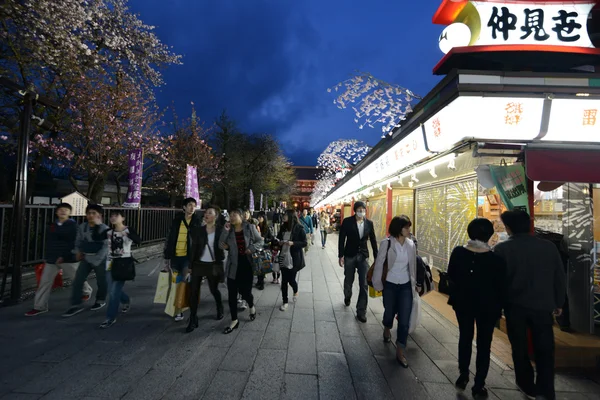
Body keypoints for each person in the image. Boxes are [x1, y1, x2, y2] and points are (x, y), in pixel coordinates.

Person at [494, 210, 566, 400]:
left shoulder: (502, 249)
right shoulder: (548, 247)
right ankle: (546, 389)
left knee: (519, 347)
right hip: (543, 306)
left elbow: (498, 282)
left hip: (514, 306)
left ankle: (526, 385)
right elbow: (559, 277)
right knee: (545, 349)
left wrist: (497, 305)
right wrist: (558, 302)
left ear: (508, 228)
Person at [447, 218, 506, 398]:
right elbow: (501, 287)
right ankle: (479, 383)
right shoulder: (496, 259)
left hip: (463, 304)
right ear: (489, 235)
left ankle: (463, 374)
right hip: (487, 308)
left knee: (465, 337)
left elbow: (451, 276)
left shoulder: (458, 252)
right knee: (484, 343)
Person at [25, 203, 93, 316]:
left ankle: (86, 291)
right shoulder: (52, 225)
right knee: (44, 282)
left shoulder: (73, 226)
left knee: (77, 278)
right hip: (52, 259)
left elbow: (74, 243)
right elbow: (49, 242)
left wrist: (63, 255)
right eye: (61, 210)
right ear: (57, 212)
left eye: (66, 210)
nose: (63, 212)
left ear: (70, 213)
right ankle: (39, 306)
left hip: (69, 258)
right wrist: (48, 257)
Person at [372, 216, 417, 367]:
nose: (409, 230)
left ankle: (400, 351)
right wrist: (377, 283)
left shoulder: (411, 244)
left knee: (404, 320)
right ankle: (387, 327)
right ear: (399, 228)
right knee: (389, 311)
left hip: (405, 285)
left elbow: (413, 267)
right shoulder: (387, 243)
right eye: (406, 227)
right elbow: (379, 263)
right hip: (390, 284)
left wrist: (414, 283)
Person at [219, 209, 263, 334]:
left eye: (234, 215)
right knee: (232, 294)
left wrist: (251, 248)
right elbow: (220, 244)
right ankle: (234, 320)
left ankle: (251, 305)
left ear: (241, 216)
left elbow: (260, 241)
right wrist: (225, 231)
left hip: (246, 264)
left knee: (245, 292)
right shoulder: (229, 229)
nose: (232, 217)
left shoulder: (249, 227)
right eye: (230, 215)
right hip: (233, 265)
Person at [95, 210, 141, 329]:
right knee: (112, 289)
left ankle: (110, 318)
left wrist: (127, 235)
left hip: (124, 263)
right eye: (112, 216)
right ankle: (125, 300)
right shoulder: (108, 231)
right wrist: (98, 224)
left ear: (123, 218)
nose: (113, 218)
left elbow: (138, 240)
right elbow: (96, 238)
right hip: (110, 263)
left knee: (113, 292)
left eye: (116, 216)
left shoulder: (128, 230)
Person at [62, 204, 109, 317]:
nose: (91, 215)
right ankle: (75, 304)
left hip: (100, 259)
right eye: (88, 213)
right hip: (86, 257)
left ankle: (100, 300)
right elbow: (78, 240)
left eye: (94, 213)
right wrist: (77, 251)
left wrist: (97, 260)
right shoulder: (83, 226)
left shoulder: (104, 228)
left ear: (99, 215)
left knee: (101, 281)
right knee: (78, 280)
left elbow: (106, 246)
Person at [338, 201, 378, 323]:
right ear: (355, 210)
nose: (362, 211)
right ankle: (347, 295)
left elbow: (373, 240)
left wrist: (377, 258)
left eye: (363, 209)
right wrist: (341, 255)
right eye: (359, 209)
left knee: (364, 283)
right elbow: (341, 239)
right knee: (348, 279)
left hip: (363, 256)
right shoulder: (347, 222)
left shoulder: (369, 224)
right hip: (349, 255)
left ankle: (361, 311)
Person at [187, 205, 225, 333]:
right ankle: (193, 318)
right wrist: (190, 266)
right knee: (193, 292)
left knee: (214, 290)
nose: (206, 215)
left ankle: (220, 307)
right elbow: (194, 249)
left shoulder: (221, 230)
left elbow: (225, 247)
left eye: (210, 213)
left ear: (216, 216)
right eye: (206, 213)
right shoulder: (199, 230)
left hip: (212, 265)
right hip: (199, 264)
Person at [163, 197, 201, 322]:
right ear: (184, 207)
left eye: (193, 205)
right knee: (176, 284)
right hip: (175, 257)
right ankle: (183, 303)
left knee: (181, 282)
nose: (191, 207)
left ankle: (179, 310)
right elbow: (169, 239)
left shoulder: (197, 222)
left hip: (187, 258)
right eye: (189, 205)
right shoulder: (176, 221)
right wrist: (166, 258)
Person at [276, 209, 307, 311]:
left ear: (290, 216)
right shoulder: (283, 227)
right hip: (283, 257)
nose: (283, 216)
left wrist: (293, 243)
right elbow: (277, 239)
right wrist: (279, 242)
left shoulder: (299, 228)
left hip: (294, 258)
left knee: (291, 280)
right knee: (284, 280)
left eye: (285, 215)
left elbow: (304, 242)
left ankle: (295, 290)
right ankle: (285, 301)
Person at [257, 211, 276, 287]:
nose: (259, 218)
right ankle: (259, 281)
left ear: (264, 218)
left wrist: (264, 239)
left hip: (264, 248)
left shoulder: (267, 227)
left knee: (262, 265)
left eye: (260, 217)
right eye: (258, 217)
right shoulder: (256, 226)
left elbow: (271, 238)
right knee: (257, 265)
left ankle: (261, 283)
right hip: (257, 248)